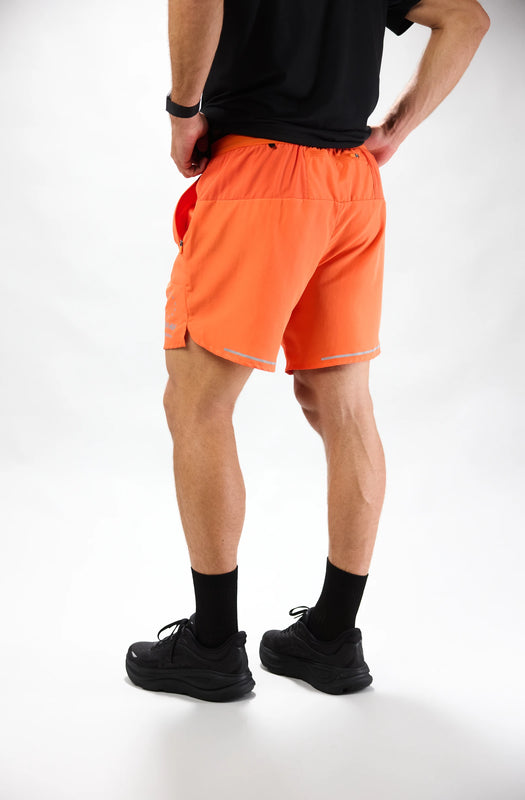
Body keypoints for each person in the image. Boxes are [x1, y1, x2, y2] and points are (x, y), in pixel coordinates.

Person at [125, 0, 490, 701]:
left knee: (197, 404)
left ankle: (211, 648)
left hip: (259, 174)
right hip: (352, 183)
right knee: (343, 404)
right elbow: (467, 19)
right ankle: (331, 638)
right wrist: (394, 129)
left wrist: (183, 111)